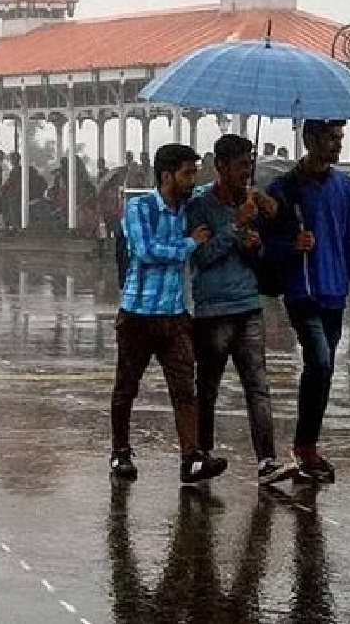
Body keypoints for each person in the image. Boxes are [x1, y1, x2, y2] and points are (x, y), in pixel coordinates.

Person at [109, 143, 227, 484]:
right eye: (187, 173)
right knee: (126, 387)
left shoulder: (190, 206)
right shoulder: (139, 208)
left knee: (184, 389)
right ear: (167, 175)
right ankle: (120, 452)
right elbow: (146, 251)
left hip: (174, 316)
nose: (192, 180)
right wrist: (191, 243)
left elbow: (210, 191)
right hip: (137, 314)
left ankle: (191, 458)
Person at [185, 134, 296, 486]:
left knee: (258, 386)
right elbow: (201, 256)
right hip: (213, 310)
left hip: (248, 305)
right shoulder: (200, 205)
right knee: (209, 389)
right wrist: (235, 226)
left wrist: (254, 242)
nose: (246, 172)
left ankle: (266, 460)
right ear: (220, 166)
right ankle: (201, 456)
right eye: (240, 165)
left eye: (250, 165)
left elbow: (253, 258)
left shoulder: (250, 201)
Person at [261, 119, 350, 483]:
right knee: (320, 360)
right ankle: (305, 446)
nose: (337, 145)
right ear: (310, 138)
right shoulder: (283, 190)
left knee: (323, 367)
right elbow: (266, 246)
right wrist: (290, 245)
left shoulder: (346, 189)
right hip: (302, 291)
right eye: (331, 138)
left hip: (335, 291)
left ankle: (307, 446)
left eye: (341, 138)